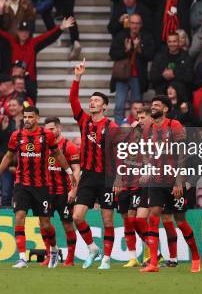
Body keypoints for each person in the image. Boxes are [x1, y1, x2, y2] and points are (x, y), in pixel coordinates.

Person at [0, 106, 74, 269]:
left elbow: (58, 154)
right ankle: (22, 258)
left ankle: (54, 250)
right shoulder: (16, 135)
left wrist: (69, 171)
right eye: (25, 117)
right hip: (22, 184)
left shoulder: (46, 135)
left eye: (30, 117)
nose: (27, 120)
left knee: (45, 224)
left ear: (37, 118)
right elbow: (8, 157)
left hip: (42, 186)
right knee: (19, 217)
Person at [139, 95, 201, 273]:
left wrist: (179, 181)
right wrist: (148, 167)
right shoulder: (148, 129)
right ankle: (153, 263)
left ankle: (195, 257)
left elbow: (182, 155)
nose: (153, 107)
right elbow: (146, 153)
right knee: (153, 216)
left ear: (165, 109)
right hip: (157, 181)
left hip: (174, 180)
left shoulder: (174, 125)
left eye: (157, 105)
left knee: (180, 221)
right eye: (152, 105)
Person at [70, 59, 118, 269]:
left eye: (96, 100)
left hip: (107, 177)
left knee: (108, 220)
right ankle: (92, 248)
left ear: (104, 106)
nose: (92, 102)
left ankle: (106, 259)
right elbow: (73, 101)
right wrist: (77, 77)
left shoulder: (112, 125)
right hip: (88, 176)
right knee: (77, 216)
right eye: (90, 100)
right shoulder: (84, 121)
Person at [42, 116, 81, 266]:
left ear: (59, 128)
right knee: (44, 224)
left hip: (64, 192)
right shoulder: (43, 146)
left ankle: (70, 258)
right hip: (46, 191)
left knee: (67, 224)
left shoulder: (69, 146)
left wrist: (73, 190)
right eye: (46, 130)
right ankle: (49, 254)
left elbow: (77, 169)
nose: (49, 132)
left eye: (51, 129)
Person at [109, 13, 155, 122]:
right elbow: (113, 54)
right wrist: (126, 50)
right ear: (128, 24)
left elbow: (150, 55)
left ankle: (137, 131)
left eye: (137, 23)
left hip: (138, 76)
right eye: (133, 23)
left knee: (138, 108)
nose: (135, 26)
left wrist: (139, 49)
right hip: (122, 75)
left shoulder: (146, 37)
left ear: (141, 25)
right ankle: (120, 132)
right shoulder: (121, 36)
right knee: (119, 107)